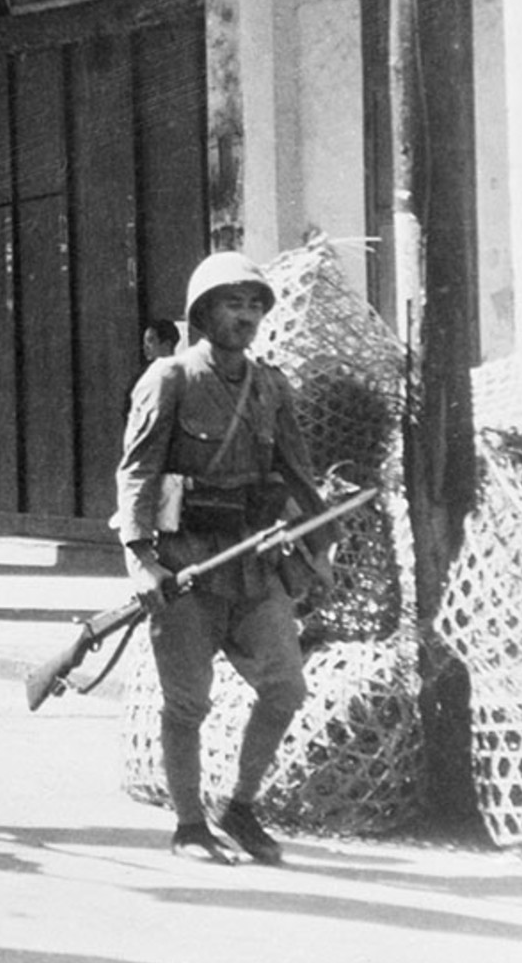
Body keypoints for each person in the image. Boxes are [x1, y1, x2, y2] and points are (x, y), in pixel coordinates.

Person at [114, 250, 330, 866]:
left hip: (253, 562)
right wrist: (142, 561)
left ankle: (240, 806)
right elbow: (136, 474)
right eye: (233, 304)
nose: (247, 316)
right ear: (203, 314)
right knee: (187, 702)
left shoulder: (270, 387)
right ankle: (189, 825)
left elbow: (298, 472)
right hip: (186, 565)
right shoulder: (170, 380)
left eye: (255, 305)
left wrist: (320, 547)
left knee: (285, 687)